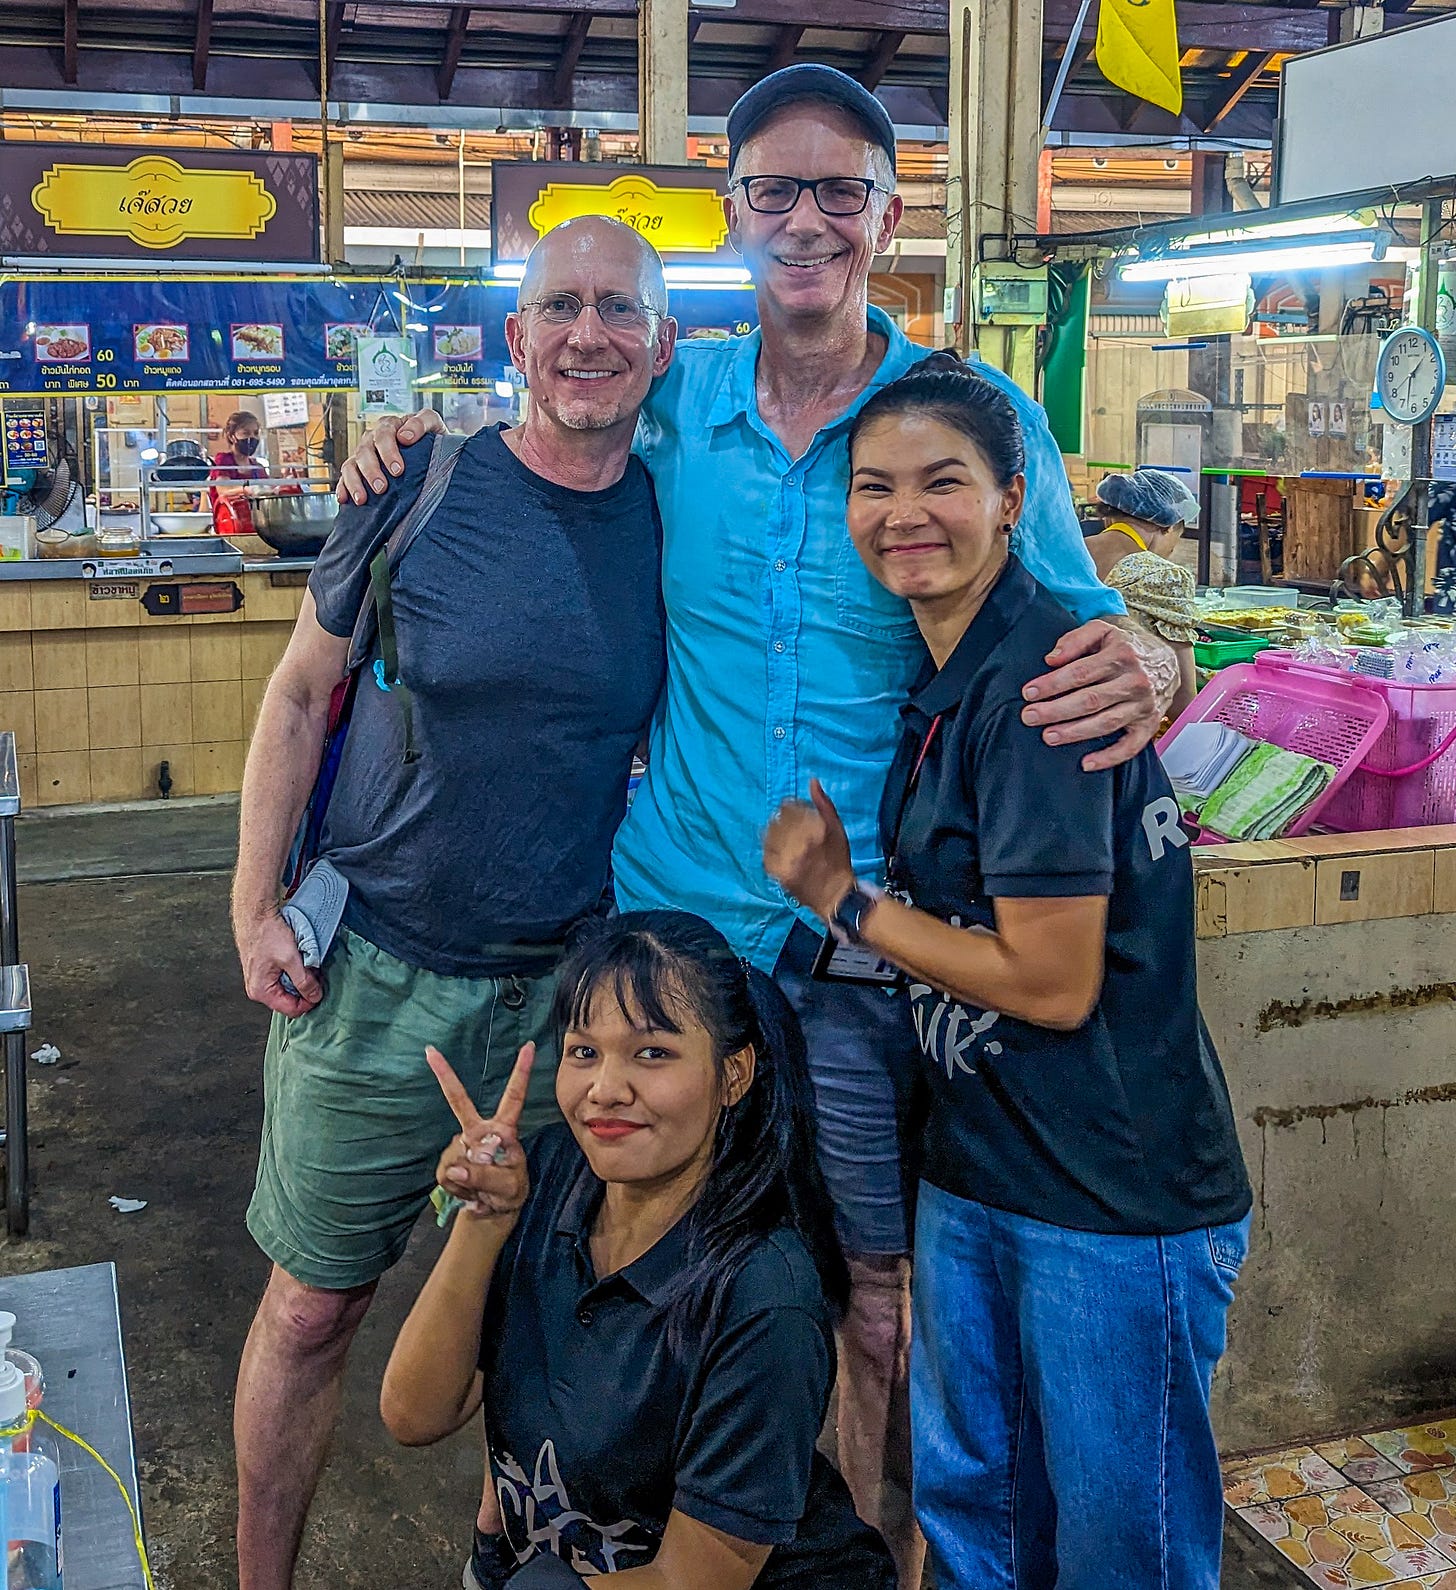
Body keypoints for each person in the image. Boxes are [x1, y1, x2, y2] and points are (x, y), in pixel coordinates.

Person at [338, 65, 1172, 1582]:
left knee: (868, 1294)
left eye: (838, 190)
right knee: (611, 1255)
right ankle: (601, 1531)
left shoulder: (961, 421)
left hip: (863, 951)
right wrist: (406, 450)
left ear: (887, 213)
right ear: (733, 211)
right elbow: (556, 411)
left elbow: (1089, 622)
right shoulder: (683, 396)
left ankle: (870, 1561)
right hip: (678, 940)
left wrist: (1162, 657)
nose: (806, 220)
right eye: (774, 191)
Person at [230, 216, 675, 1590]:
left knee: (534, 1313)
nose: (588, 333)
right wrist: (253, 908)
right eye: (560, 307)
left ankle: (508, 1550)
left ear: (661, 344)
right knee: (312, 1307)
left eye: (618, 309)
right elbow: (301, 694)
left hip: (569, 1003)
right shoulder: (414, 483)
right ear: (516, 339)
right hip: (375, 977)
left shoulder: (684, 514)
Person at [762, 355, 1253, 1590]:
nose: (903, 514)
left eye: (944, 482)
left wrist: (842, 901)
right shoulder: (950, 672)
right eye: (874, 487)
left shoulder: (1041, 679)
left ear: (1011, 493)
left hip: (1106, 1190)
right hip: (985, 1164)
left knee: (1112, 1550)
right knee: (979, 1515)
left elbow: (1049, 981)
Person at [382, 911, 896, 1589]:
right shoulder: (548, 1176)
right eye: (583, 1051)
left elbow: (692, 1581)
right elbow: (414, 1414)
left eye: (652, 1053)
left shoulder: (764, 1294)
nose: (605, 1089)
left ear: (734, 1074)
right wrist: (483, 1223)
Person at [1085, 468, 1202, 716]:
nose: (1171, 551)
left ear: (1110, 518)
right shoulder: (1164, 575)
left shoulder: (1069, 555)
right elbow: (1182, 696)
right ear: (1168, 526)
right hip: (1121, 718)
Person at [209, 410, 269, 535]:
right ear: (232, 436)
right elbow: (223, 490)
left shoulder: (257, 467)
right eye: (245, 433)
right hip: (228, 528)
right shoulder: (224, 460)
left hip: (258, 529)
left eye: (255, 433)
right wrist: (248, 490)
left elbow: (268, 492)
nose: (251, 438)